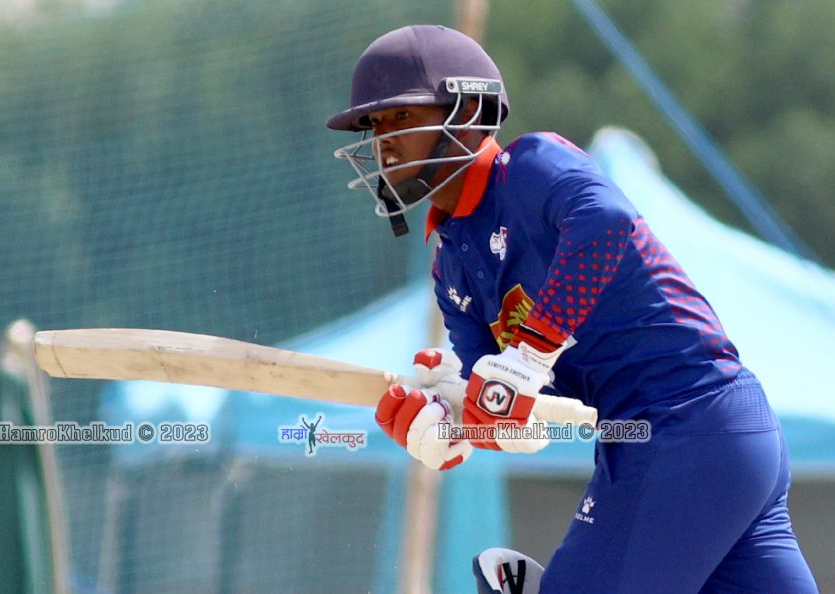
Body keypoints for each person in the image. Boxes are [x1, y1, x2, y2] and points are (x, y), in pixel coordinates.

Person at [326, 24, 818, 593]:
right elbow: (522, 414)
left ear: (467, 112)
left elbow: (607, 222)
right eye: (375, 126)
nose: (383, 141)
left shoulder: (530, 167)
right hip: (687, 440)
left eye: (401, 117)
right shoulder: (450, 267)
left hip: (684, 422)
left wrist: (529, 353)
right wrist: (453, 421)